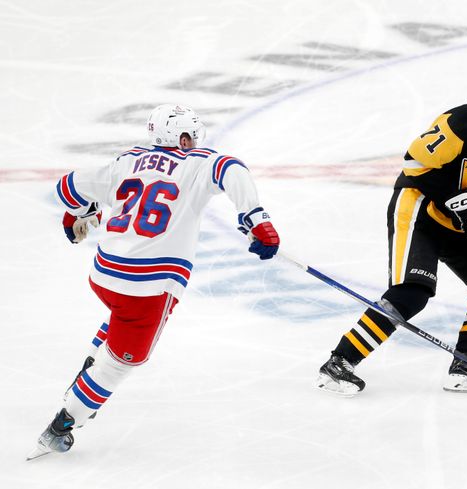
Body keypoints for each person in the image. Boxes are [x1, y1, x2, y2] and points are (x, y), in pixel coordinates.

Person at [28, 104, 281, 460]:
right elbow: (232, 169)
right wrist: (255, 219)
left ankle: (89, 369)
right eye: (191, 135)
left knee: (119, 316)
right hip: (147, 286)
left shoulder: (127, 159)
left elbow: (68, 187)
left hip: (103, 275)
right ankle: (62, 425)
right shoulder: (199, 161)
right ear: (182, 136)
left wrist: (82, 213)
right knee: (121, 364)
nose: (194, 141)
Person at [316, 75, 467, 396]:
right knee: (412, 293)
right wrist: (451, 198)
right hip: (420, 208)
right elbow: (414, 161)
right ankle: (340, 362)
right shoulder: (463, 122)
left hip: (459, 221)